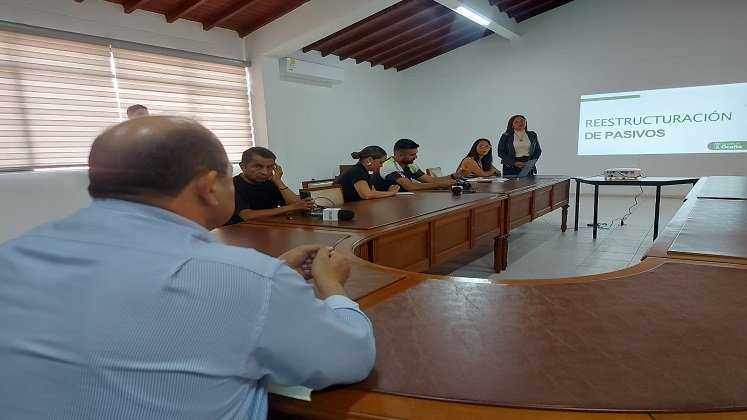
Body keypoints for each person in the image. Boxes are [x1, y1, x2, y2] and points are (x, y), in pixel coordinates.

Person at [0, 116, 376, 419]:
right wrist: (332, 287)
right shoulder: (247, 279)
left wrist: (270, 276)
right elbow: (350, 360)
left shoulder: (12, 255)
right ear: (210, 186)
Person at [226, 146, 315, 224]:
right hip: (238, 232)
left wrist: (278, 181)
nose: (265, 172)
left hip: (268, 228)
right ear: (243, 166)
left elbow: (300, 206)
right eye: (257, 167)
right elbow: (247, 215)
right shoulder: (230, 186)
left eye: (270, 167)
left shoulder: (270, 183)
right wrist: (291, 208)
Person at [373, 138, 465, 192]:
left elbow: (430, 180)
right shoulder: (389, 166)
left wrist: (453, 176)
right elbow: (411, 186)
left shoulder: (411, 165)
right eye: (412, 155)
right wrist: (442, 184)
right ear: (399, 155)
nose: (416, 157)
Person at [335, 145, 400, 202]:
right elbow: (366, 195)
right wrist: (391, 192)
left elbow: (373, 192)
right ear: (370, 160)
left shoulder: (363, 171)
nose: (381, 166)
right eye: (380, 162)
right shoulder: (357, 171)